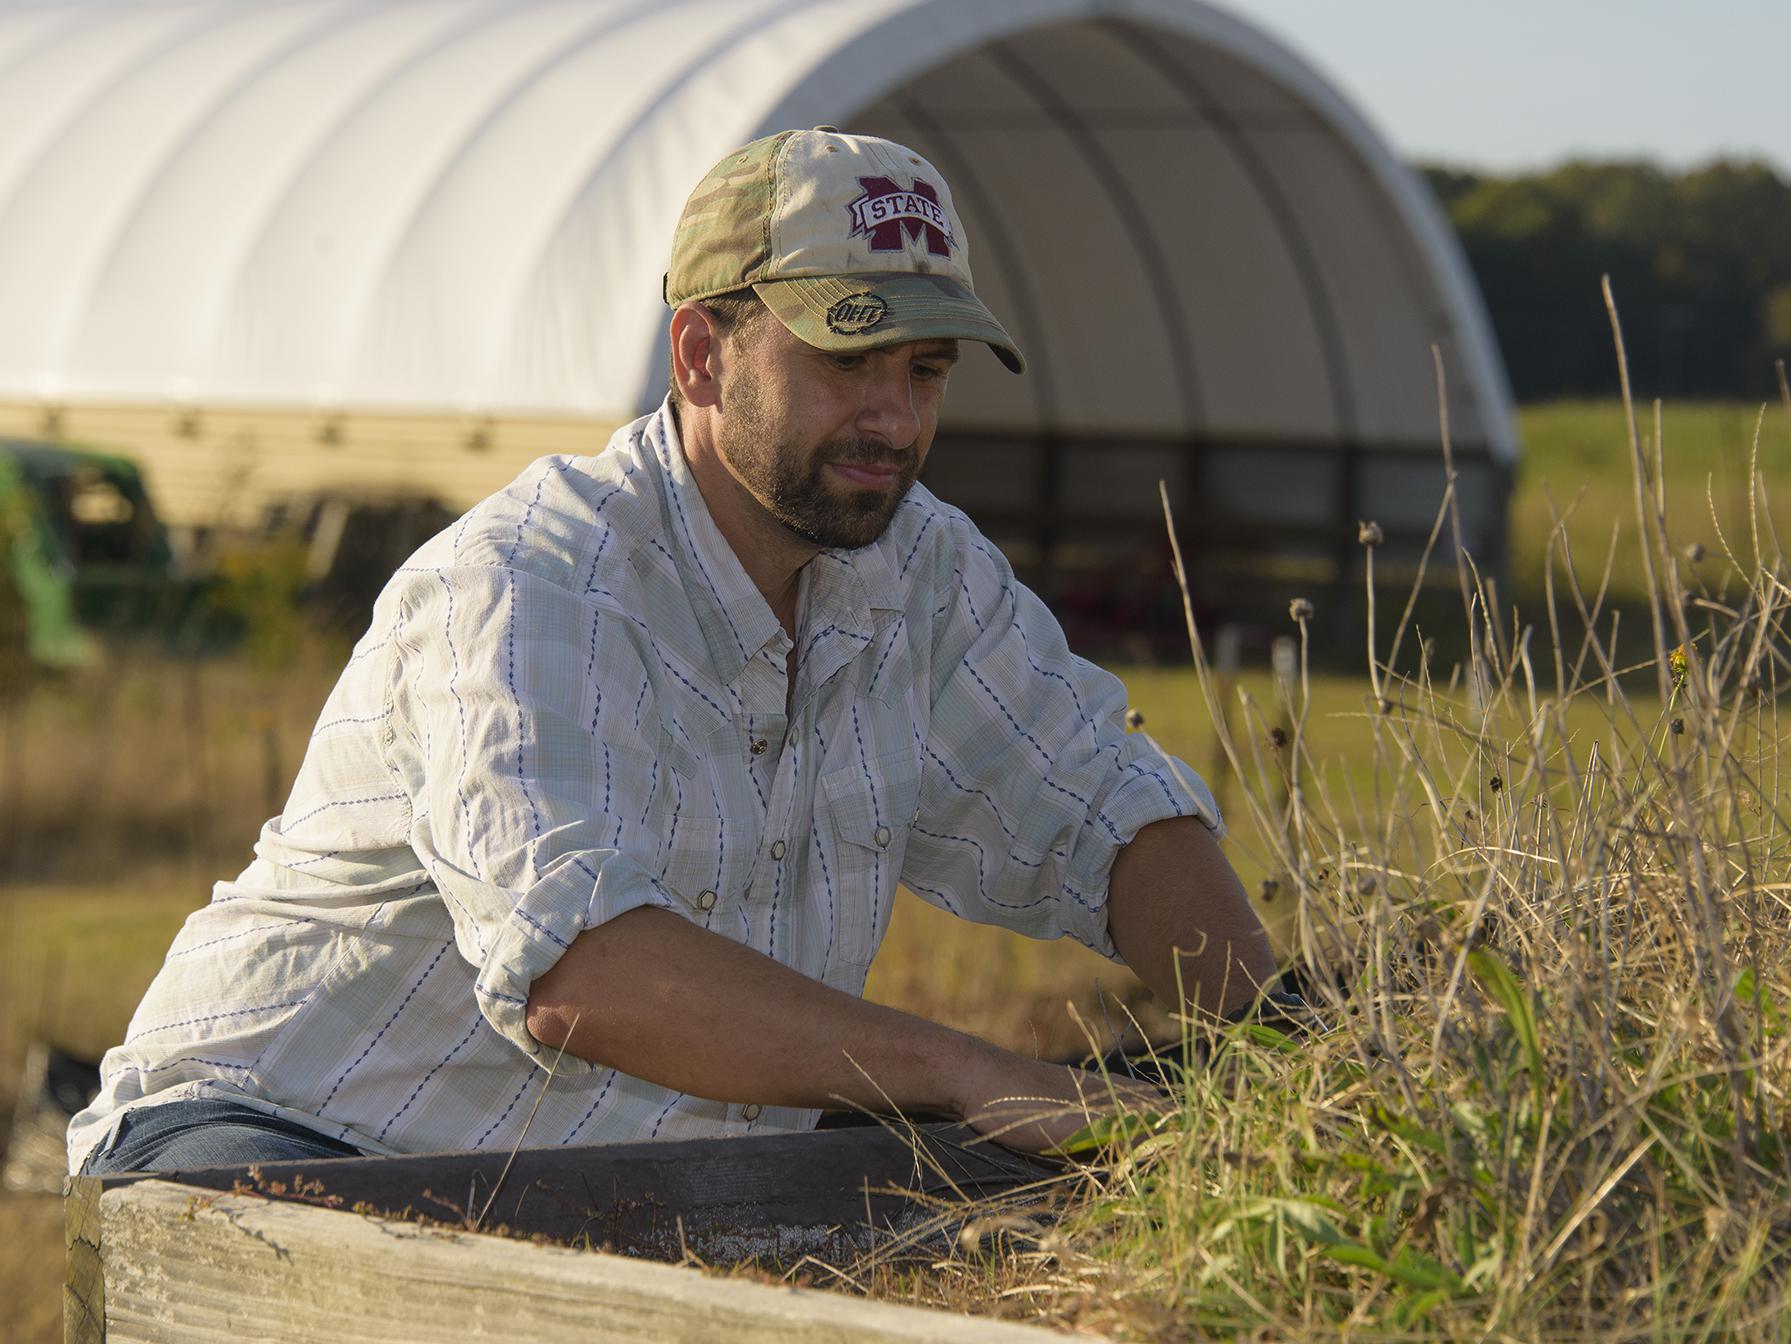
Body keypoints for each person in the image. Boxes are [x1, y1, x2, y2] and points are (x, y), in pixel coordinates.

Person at [70, 127, 1277, 1177]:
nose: (896, 419)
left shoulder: (922, 571)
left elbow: (1102, 809)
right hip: (288, 1136)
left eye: (924, 371)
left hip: (605, 1175)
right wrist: (965, 1071)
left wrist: (1289, 1060)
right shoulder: (526, 586)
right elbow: (581, 966)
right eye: (847, 358)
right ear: (702, 354)